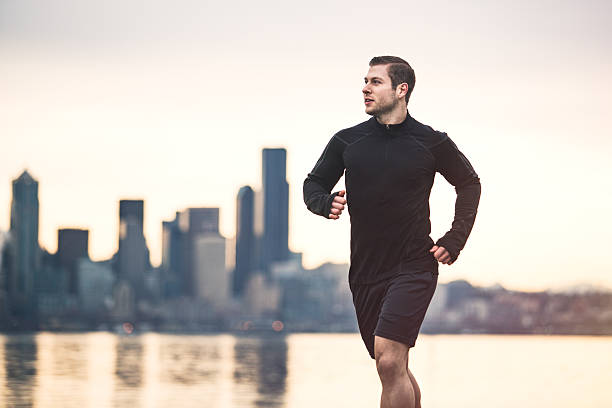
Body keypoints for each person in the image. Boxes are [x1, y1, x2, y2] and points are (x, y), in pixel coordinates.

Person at [303, 56, 481, 408]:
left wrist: (454, 238)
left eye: (375, 82)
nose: (365, 88)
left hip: (414, 266)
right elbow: (314, 183)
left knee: (388, 360)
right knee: (391, 364)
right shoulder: (347, 141)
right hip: (366, 272)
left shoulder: (431, 142)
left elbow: (469, 184)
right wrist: (325, 203)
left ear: (402, 90)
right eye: (365, 82)